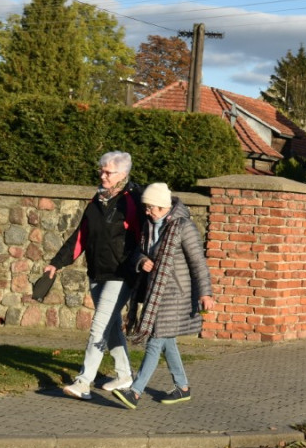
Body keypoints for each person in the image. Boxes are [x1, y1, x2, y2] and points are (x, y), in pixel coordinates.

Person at [44, 151, 142, 400]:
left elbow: (144, 237)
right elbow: (81, 236)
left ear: (122, 174)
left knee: (99, 325)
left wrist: (142, 265)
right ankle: (124, 375)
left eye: (108, 172)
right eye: (101, 170)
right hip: (97, 272)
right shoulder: (97, 200)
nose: (102, 175)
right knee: (110, 328)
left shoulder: (132, 201)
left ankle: (84, 382)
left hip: (121, 275)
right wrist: (56, 264)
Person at [113, 183, 215, 409]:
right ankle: (182, 387)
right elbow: (138, 253)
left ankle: (135, 392)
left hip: (175, 295)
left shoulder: (183, 227)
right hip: (155, 292)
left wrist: (205, 293)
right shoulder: (150, 226)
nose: (147, 211)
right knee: (167, 341)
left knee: (155, 340)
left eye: (151, 208)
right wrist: (141, 261)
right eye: (146, 207)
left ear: (163, 206)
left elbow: (198, 263)